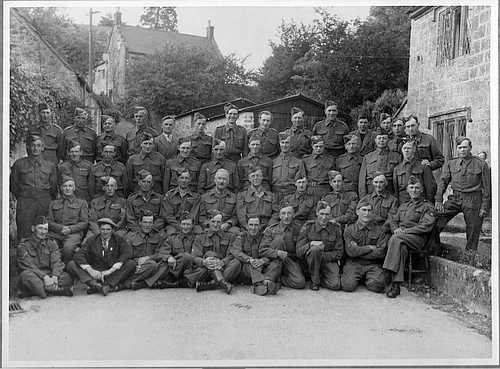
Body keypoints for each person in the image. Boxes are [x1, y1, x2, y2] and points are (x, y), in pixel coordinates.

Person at [383, 176, 436, 298]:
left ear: (422, 190)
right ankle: (396, 284)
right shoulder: (404, 205)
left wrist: (405, 232)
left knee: (395, 239)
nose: (414, 190)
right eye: (411, 188)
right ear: (407, 190)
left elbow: (425, 227)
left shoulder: (427, 206)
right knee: (399, 246)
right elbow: (393, 219)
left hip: (418, 239)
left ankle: (387, 273)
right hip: (401, 238)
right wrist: (395, 229)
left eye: (417, 188)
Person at [435, 136, 491, 251]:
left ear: (470, 148)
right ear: (457, 149)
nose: (462, 150)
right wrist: (439, 200)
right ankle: (434, 247)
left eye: (465, 147)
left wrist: (484, 207)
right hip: (455, 198)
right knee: (436, 219)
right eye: (460, 147)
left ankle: (470, 256)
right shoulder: (451, 163)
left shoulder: (481, 164)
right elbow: (443, 182)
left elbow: (487, 188)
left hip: (473, 199)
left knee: (473, 230)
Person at [66, 218, 136, 296]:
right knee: (71, 264)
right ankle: (95, 285)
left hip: (112, 272)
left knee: (131, 264)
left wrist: (112, 269)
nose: (105, 232)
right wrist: (90, 270)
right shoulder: (92, 239)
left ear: (112, 230)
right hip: (95, 272)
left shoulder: (118, 239)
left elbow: (127, 253)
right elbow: (79, 255)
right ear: (99, 229)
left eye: (108, 229)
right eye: (103, 229)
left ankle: (108, 285)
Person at [10, 135, 58, 240]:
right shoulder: (19, 164)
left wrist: (47, 199)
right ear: (28, 147)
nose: (35, 148)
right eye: (32, 146)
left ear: (42, 147)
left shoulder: (50, 165)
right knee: (24, 230)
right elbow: (14, 186)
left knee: (44, 229)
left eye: (38, 146)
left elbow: (54, 186)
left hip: (44, 200)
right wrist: (24, 196)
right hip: (26, 200)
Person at [17, 216, 74, 298]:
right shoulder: (23, 245)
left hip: (49, 274)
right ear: (33, 229)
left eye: (45, 229)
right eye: (40, 228)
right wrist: (45, 277)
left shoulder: (51, 242)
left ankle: (41, 291)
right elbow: (29, 266)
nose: (43, 232)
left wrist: (55, 276)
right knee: (25, 275)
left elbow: (57, 261)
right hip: (34, 274)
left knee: (67, 278)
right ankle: (55, 290)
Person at [186, 212, 241, 294]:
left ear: (222, 223)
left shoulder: (230, 236)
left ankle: (211, 284)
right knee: (210, 254)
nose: (216, 225)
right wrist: (204, 262)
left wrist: (222, 262)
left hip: (224, 267)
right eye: (213, 221)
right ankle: (222, 283)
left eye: (218, 222)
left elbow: (232, 254)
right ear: (208, 222)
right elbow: (195, 256)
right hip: (207, 268)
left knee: (237, 262)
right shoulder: (200, 237)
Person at [342, 201, 389, 293]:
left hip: (372, 264)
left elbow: (381, 252)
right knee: (347, 286)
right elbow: (350, 252)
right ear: (357, 212)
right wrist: (370, 248)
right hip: (354, 263)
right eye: (364, 210)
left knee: (377, 286)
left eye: (369, 210)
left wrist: (358, 250)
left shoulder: (379, 230)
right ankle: (359, 278)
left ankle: (366, 278)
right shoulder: (350, 229)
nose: (366, 213)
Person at [297, 201, 344, 291]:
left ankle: (319, 277)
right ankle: (315, 281)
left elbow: (339, 253)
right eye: (321, 213)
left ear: (330, 215)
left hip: (328, 261)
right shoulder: (308, 227)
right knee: (315, 249)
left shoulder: (336, 228)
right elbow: (299, 251)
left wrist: (320, 257)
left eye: (327, 214)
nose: (324, 217)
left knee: (335, 285)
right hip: (310, 262)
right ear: (317, 213)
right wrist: (310, 244)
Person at [230, 217, 281, 296]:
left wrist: (263, 261)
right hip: (247, 267)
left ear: (260, 226)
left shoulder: (265, 237)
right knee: (252, 265)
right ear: (247, 226)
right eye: (251, 225)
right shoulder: (242, 236)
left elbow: (270, 252)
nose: (253, 228)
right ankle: (261, 283)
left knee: (276, 263)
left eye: (256, 225)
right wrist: (249, 259)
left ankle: (264, 283)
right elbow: (235, 251)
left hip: (262, 266)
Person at [260, 205, 305, 289]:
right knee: (279, 240)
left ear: (293, 215)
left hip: (290, 260)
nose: (286, 216)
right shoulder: (271, 230)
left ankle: (279, 280)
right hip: (274, 260)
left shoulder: (299, 230)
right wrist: (277, 253)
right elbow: (262, 250)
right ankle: (269, 279)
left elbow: (301, 250)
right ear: (280, 216)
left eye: (289, 213)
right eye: (283, 214)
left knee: (300, 283)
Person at [149, 214, 199, 289]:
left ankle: (173, 282)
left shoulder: (197, 238)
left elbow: (197, 255)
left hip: (191, 268)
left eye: (188, 224)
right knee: (163, 264)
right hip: (176, 267)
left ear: (192, 225)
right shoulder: (172, 238)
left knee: (186, 257)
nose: (185, 227)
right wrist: (169, 257)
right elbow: (162, 252)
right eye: (183, 224)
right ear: (179, 225)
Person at [47, 176, 88, 262]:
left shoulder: (81, 203)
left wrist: (70, 229)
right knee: (48, 245)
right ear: (61, 188)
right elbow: (49, 221)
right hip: (56, 233)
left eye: (70, 186)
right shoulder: (53, 203)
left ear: (74, 188)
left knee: (68, 249)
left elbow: (84, 222)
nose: (67, 188)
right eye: (65, 186)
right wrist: (60, 228)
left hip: (73, 234)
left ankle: (66, 268)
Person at [123, 212, 166, 290]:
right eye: (145, 222)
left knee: (164, 264)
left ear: (153, 224)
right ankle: (148, 281)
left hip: (153, 263)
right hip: (138, 267)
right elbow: (127, 255)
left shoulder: (158, 236)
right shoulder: (131, 236)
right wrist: (137, 264)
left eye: (150, 223)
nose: (147, 225)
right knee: (149, 266)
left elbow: (161, 253)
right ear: (140, 223)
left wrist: (148, 258)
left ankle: (141, 284)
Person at [358, 128, 402, 197]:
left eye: (384, 138)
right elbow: (362, 180)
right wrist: (363, 197)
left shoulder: (396, 156)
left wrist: (397, 196)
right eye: (379, 138)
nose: (381, 140)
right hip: (371, 193)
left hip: (389, 193)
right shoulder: (368, 157)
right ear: (375, 140)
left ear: (388, 140)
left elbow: (399, 179)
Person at [236, 167, 278, 231]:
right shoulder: (242, 195)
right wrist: (248, 227)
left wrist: (269, 226)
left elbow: (276, 213)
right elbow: (241, 215)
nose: (256, 178)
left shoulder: (271, 195)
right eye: (253, 176)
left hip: (267, 229)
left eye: (258, 176)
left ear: (262, 178)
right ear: (249, 179)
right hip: (248, 229)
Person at [161, 169, 201, 236]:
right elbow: (168, 215)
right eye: (182, 178)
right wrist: (179, 226)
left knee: (199, 232)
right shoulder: (169, 195)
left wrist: (187, 225)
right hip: (173, 225)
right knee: (171, 233)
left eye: (186, 178)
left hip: (190, 224)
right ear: (177, 179)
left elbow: (194, 214)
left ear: (190, 180)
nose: (184, 181)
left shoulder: (196, 197)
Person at [271, 132, 306, 204]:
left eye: (287, 143)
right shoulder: (273, 162)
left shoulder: (298, 162)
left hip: (291, 194)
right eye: (282, 142)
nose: (284, 145)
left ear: (291, 144)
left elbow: (302, 181)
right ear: (279, 144)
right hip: (275, 194)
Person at [126, 170, 164, 234]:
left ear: (152, 184)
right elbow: (130, 219)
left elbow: (162, 217)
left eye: (148, 182)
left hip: (156, 231)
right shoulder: (131, 199)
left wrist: (152, 229)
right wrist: (140, 231)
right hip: (136, 231)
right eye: (143, 181)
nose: (146, 184)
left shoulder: (160, 198)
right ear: (139, 183)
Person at [303, 135, 336, 203]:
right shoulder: (306, 160)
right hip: (310, 190)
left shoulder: (330, 160)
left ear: (324, 147)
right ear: (312, 146)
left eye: (321, 146)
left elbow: (334, 177)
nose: (318, 149)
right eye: (316, 146)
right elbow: (303, 176)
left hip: (325, 190)